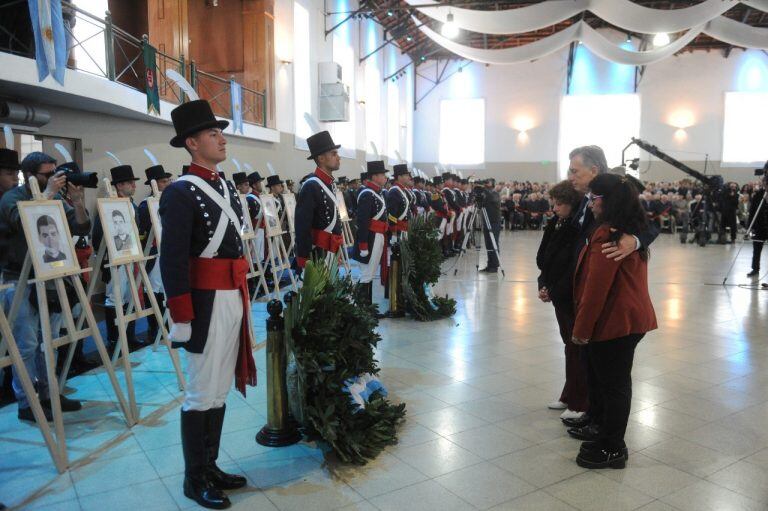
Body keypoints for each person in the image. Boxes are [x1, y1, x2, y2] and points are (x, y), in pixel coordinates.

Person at [161, 99, 254, 509]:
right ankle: (193, 478)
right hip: (203, 301)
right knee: (201, 390)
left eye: (221, 131)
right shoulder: (181, 193)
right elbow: (173, 259)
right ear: (192, 143)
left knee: (218, 388)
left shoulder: (226, 185)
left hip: (232, 294)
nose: (221, 138)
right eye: (213, 133)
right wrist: (182, 314)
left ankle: (210, 466)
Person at [561, 146, 658, 443]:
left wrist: (635, 241)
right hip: (580, 296)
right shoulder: (586, 201)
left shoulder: (614, 211)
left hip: (611, 311)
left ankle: (611, 441)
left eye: (575, 171)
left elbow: (647, 225)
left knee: (612, 379)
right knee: (594, 369)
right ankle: (595, 417)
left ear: (594, 171)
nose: (570, 176)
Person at [0, 152, 89, 422]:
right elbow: (25, 223)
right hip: (17, 277)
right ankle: (27, 402)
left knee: (46, 342)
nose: (54, 178)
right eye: (47, 174)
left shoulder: (56, 197)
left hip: (49, 276)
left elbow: (81, 227)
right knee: (26, 345)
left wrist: (78, 201)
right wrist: (48, 194)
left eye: (55, 173)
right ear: (30, 176)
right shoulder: (12, 198)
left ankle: (50, 394)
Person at [536, 181, 586, 420]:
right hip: (556, 293)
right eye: (553, 203)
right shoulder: (557, 222)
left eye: (559, 204)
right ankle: (569, 394)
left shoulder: (577, 227)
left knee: (577, 348)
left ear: (571, 204)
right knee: (569, 346)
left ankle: (580, 401)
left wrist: (554, 290)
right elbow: (544, 257)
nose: (554, 208)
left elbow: (573, 265)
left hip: (569, 295)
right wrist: (543, 284)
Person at [92, 165, 141, 351]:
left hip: (131, 256)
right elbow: (98, 236)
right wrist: (107, 256)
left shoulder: (132, 205)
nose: (133, 186)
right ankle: (114, 340)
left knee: (129, 296)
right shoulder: (107, 206)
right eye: (129, 183)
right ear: (119, 186)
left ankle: (129, 336)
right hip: (114, 260)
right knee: (114, 298)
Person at [294, 130, 343, 268]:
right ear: (321, 158)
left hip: (330, 250)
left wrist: (336, 250)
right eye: (334, 154)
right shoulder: (311, 186)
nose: (338, 157)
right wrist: (304, 259)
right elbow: (302, 227)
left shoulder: (330, 184)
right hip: (317, 251)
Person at [137, 164, 173, 345]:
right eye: (163, 181)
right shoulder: (146, 205)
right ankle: (155, 326)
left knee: (165, 289)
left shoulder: (167, 200)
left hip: (166, 250)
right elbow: (144, 233)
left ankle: (166, 321)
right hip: (153, 252)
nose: (167, 184)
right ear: (154, 184)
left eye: (168, 180)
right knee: (154, 290)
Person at [352, 162, 388, 308]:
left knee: (371, 273)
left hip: (378, 236)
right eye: (383, 175)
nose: (385, 178)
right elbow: (363, 222)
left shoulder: (377, 193)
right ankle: (363, 309)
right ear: (374, 176)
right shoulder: (367, 194)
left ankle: (368, 307)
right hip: (370, 238)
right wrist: (363, 244)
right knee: (366, 274)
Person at [747, 174, 768, 278]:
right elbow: (752, 212)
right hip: (759, 226)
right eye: (765, 182)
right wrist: (749, 227)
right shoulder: (758, 195)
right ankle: (755, 268)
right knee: (756, 248)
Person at [479, 179, 502, 273]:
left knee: (493, 243)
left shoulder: (495, 194)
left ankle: (495, 266)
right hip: (486, 221)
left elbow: (492, 198)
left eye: (488, 182)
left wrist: (483, 189)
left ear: (492, 184)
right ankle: (490, 264)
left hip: (494, 222)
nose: (485, 184)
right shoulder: (485, 194)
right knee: (488, 244)